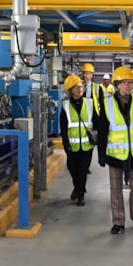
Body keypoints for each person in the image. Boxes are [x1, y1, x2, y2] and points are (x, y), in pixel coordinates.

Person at [97, 66, 133, 234]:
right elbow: (103, 131)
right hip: (115, 154)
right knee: (116, 189)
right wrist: (101, 153)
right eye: (124, 83)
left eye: (131, 83)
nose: (128, 86)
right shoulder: (107, 104)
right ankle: (118, 221)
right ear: (117, 85)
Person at [60, 74, 98, 206]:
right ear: (70, 90)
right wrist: (65, 143)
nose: (79, 88)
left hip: (87, 145)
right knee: (73, 169)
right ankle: (77, 188)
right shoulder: (65, 106)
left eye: (80, 86)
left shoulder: (90, 103)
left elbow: (96, 122)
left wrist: (96, 139)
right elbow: (63, 127)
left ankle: (80, 193)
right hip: (73, 145)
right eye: (76, 87)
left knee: (83, 170)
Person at [81, 62, 100, 174]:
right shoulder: (79, 86)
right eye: (84, 73)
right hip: (82, 119)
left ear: (92, 75)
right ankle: (81, 165)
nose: (85, 75)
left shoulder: (97, 88)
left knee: (90, 143)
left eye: (87, 73)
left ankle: (86, 166)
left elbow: (101, 103)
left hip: (93, 119)